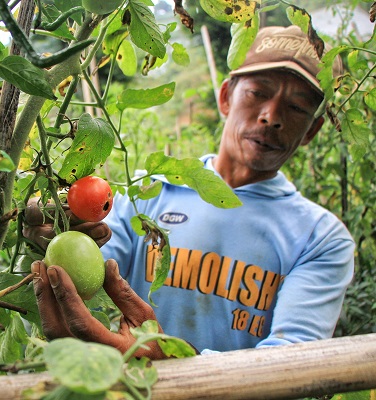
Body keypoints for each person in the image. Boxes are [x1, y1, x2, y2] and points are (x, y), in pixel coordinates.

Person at [23, 25, 355, 358]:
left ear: (312, 130)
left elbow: (292, 362)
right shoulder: (150, 191)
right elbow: (96, 262)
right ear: (226, 97)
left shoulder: (320, 238)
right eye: (258, 93)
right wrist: (61, 230)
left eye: (297, 107)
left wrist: (174, 362)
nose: (271, 117)